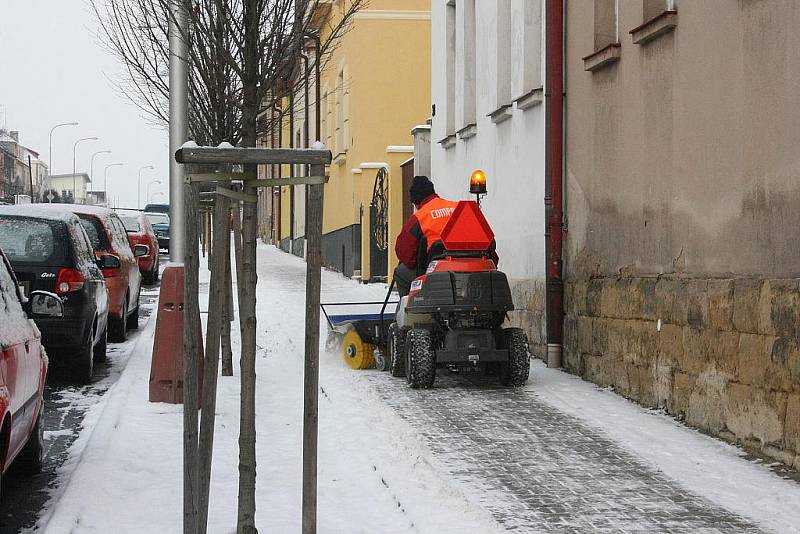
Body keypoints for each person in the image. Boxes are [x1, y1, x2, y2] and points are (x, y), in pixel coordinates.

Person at [393, 175, 498, 297]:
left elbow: (405, 254)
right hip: (476, 270)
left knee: (401, 272)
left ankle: (411, 310)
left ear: (416, 202)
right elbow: (490, 246)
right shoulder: (460, 208)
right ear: (433, 192)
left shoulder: (420, 217)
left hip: (437, 273)